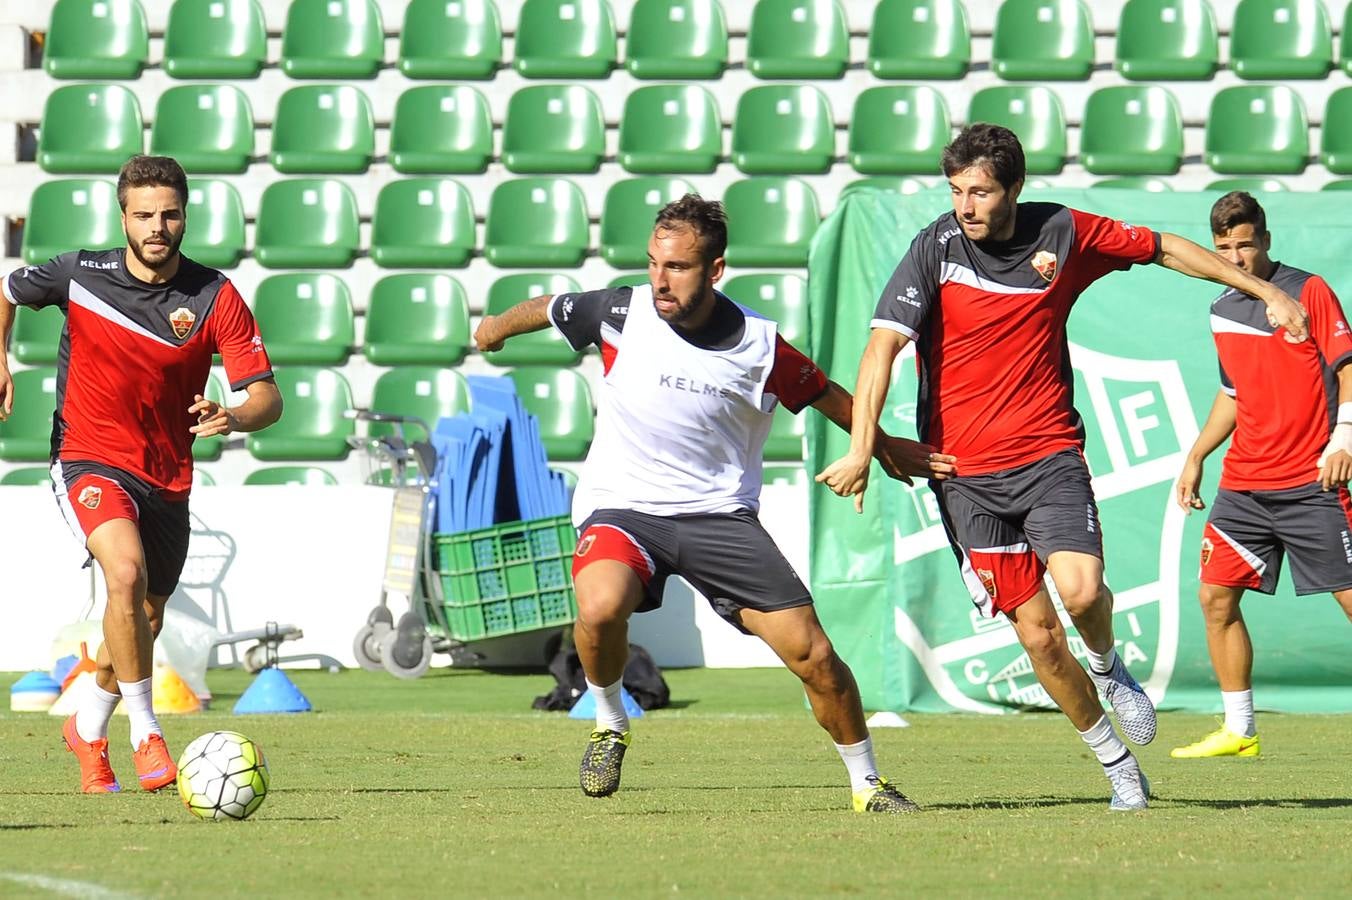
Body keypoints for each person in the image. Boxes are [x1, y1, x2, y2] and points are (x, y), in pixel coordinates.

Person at [817, 124, 1309, 811]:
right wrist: (862, 446)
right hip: (965, 478)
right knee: (1042, 640)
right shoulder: (936, 245)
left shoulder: (1066, 233)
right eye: (956, 191)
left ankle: (1110, 667)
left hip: (1048, 455)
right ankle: (1117, 768)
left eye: (980, 191)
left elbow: (1164, 247)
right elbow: (880, 349)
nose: (965, 205)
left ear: (1014, 189)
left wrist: (1264, 293)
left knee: (1080, 594)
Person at [473, 194, 956, 813]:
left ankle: (868, 784)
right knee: (599, 607)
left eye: (676, 267)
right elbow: (551, 307)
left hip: (718, 517)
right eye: (653, 263)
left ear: (716, 269)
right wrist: (493, 328)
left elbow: (823, 393)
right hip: (625, 507)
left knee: (814, 655)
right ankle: (609, 720)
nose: (659, 280)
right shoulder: (621, 309)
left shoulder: (760, 345)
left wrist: (882, 447)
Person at [0, 155, 282, 793]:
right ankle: (147, 733)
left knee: (143, 620)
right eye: (144, 214)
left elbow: (268, 397)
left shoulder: (213, 296)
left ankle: (88, 725)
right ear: (122, 216)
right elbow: (6, 292)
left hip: (166, 476)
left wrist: (233, 415)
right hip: (86, 455)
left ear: (185, 215)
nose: (158, 226)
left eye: (169, 213)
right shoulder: (79, 274)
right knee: (122, 575)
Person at [1171, 192, 1352, 759]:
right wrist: (1197, 454)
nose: (1235, 257)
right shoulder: (1221, 308)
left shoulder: (1309, 291)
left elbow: (1349, 370)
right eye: (1223, 248)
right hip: (1244, 487)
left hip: (1311, 483)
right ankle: (1240, 729)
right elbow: (1233, 394)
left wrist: (1343, 439)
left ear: (1266, 241)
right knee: (1214, 598)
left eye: (1244, 245)